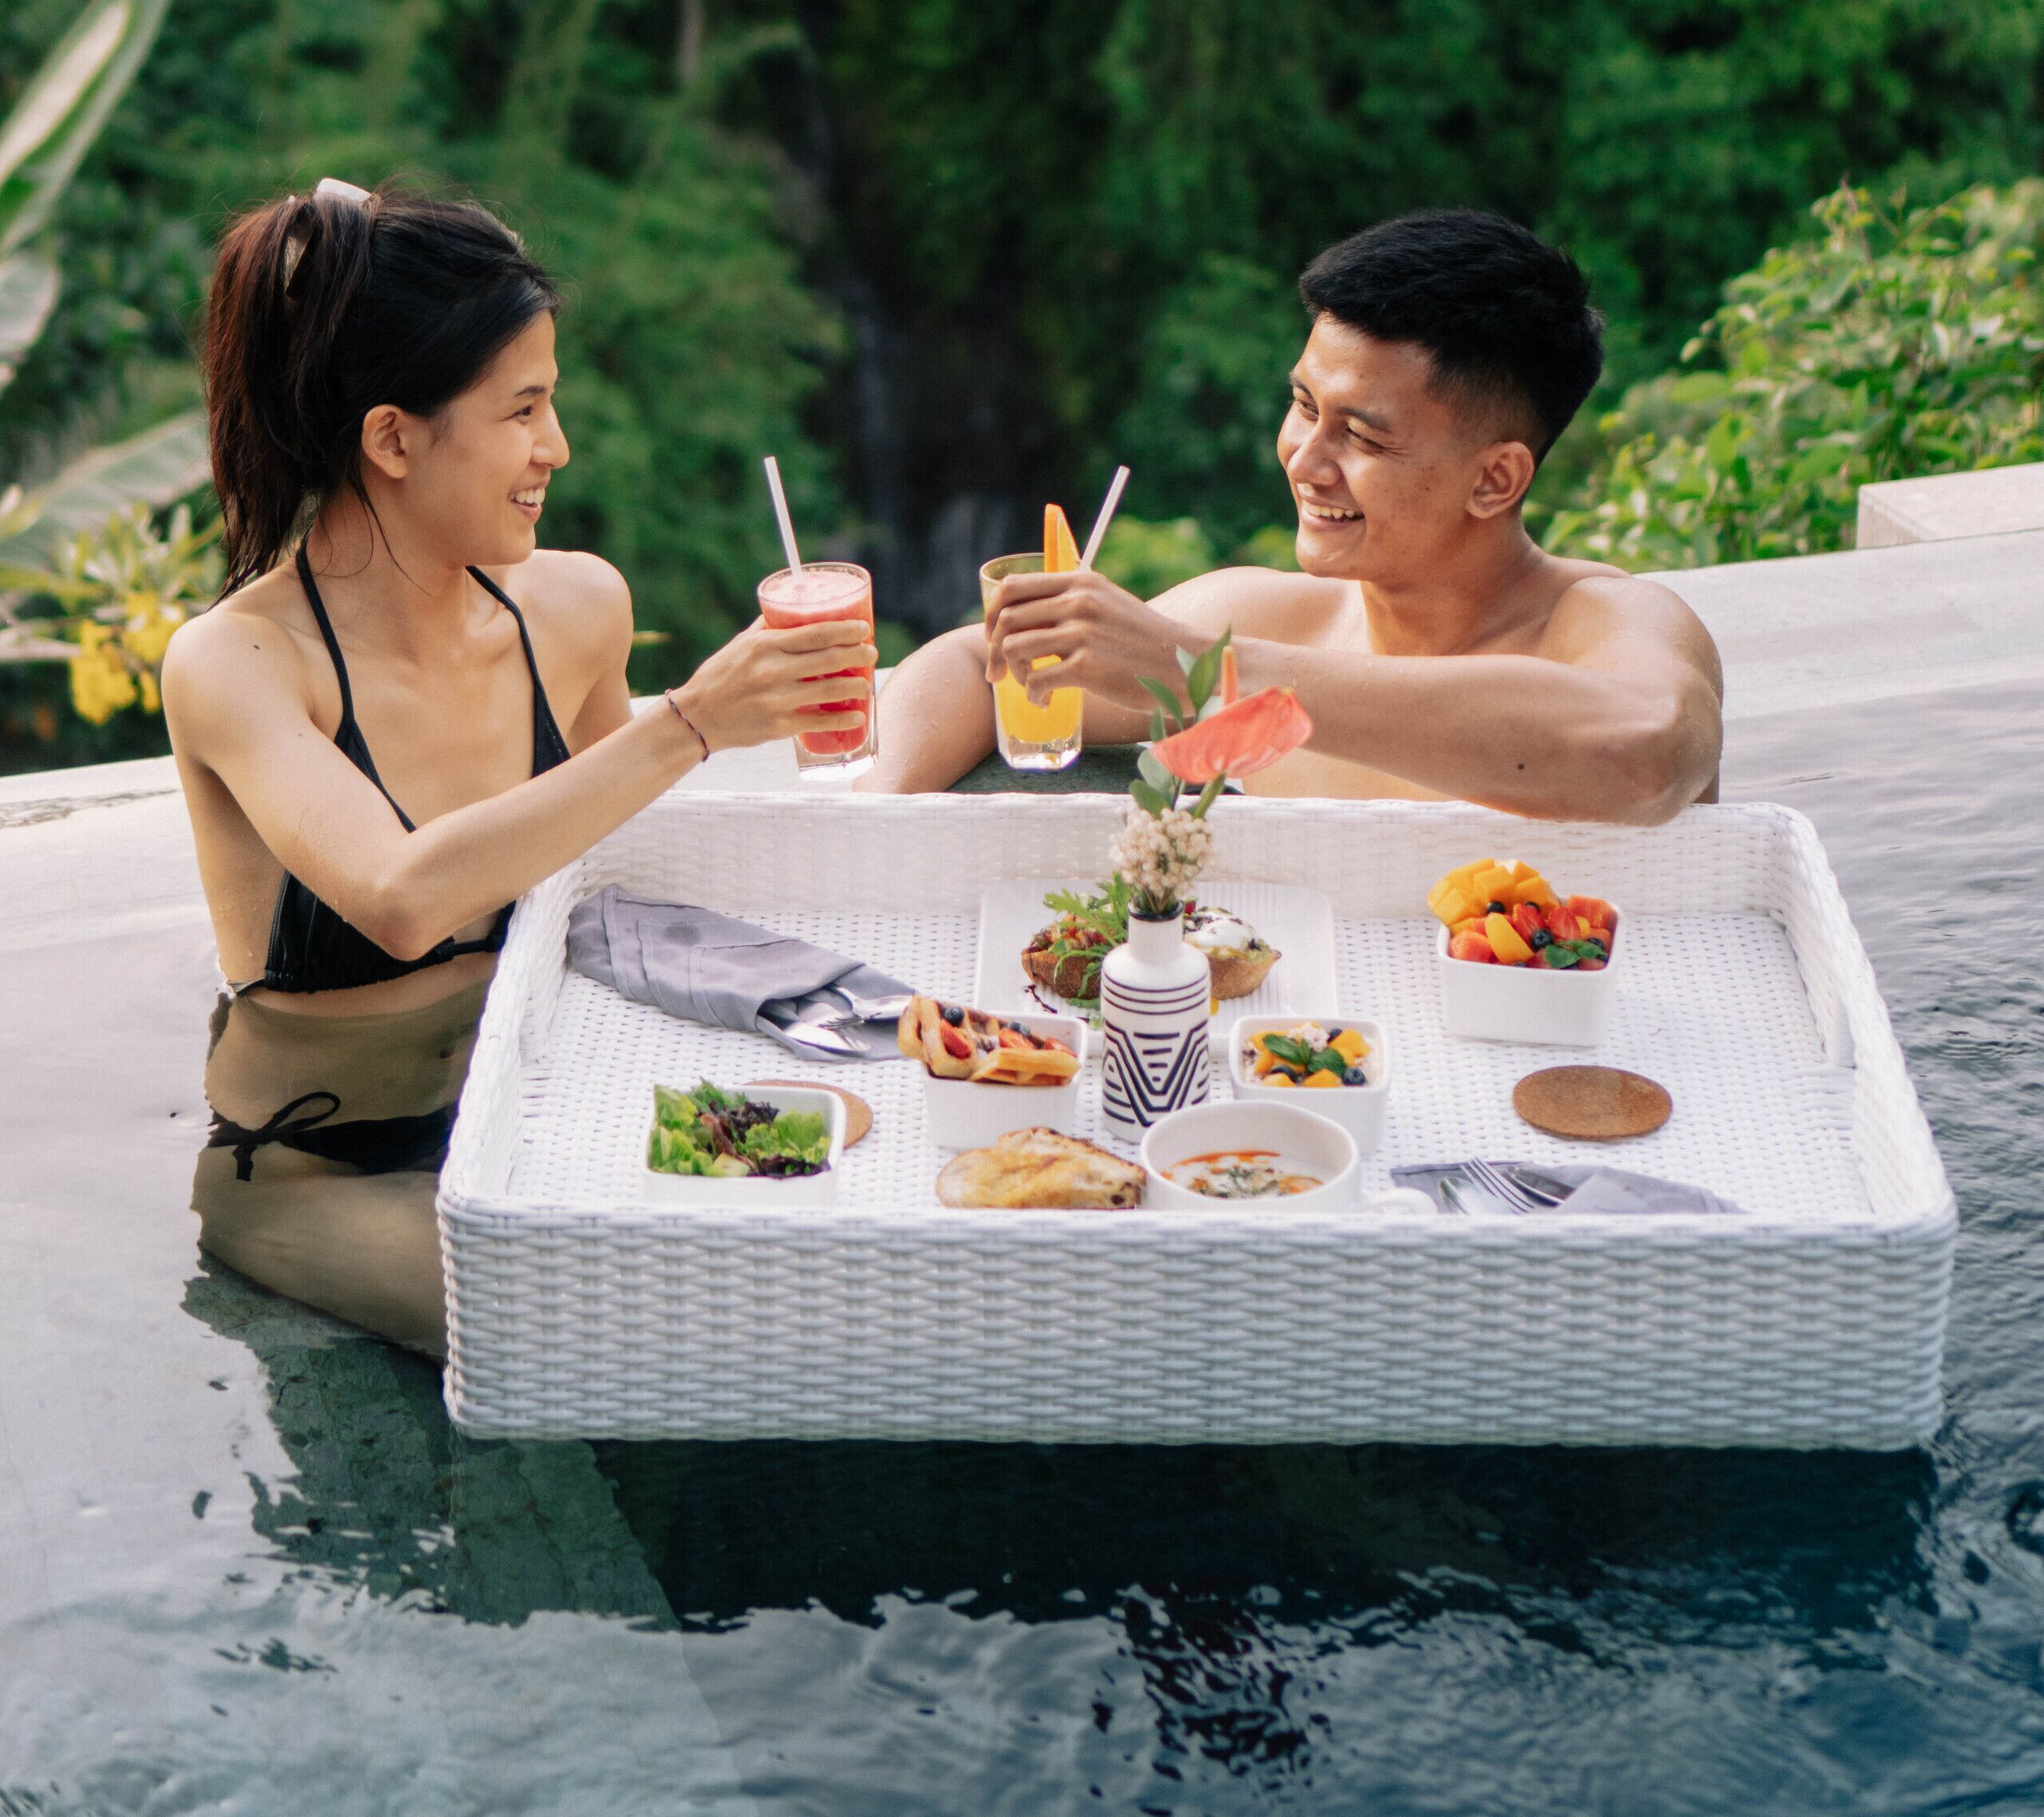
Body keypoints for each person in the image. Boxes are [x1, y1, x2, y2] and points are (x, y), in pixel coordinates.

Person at [164, 179, 873, 1363]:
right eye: (524, 410)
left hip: (537, 1096)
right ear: (392, 438)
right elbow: (398, 899)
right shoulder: (240, 664)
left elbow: (624, 882)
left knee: (840, 1216)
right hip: (320, 1167)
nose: (558, 448)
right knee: (586, 1333)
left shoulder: (577, 608)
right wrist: (691, 720)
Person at [869, 208, 1722, 820]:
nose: (1305, 460)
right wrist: (876, 817)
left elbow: (1642, 751)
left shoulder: (1607, 619)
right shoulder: (1274, 618)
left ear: (1494, 480)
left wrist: (1201, 669)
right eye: (1304, 405)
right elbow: (981, 665)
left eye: (1362, 436)